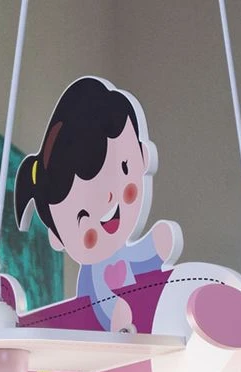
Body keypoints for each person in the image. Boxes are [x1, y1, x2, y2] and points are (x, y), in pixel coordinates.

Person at [14, 76, 182, 331]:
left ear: (144, 157)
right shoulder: (90, 277)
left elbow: (145, 258)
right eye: (82, 215)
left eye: (124, 168)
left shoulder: (123, 254)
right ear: (57, 238)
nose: (108, 199)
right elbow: (89, 307)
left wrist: (155, 246)